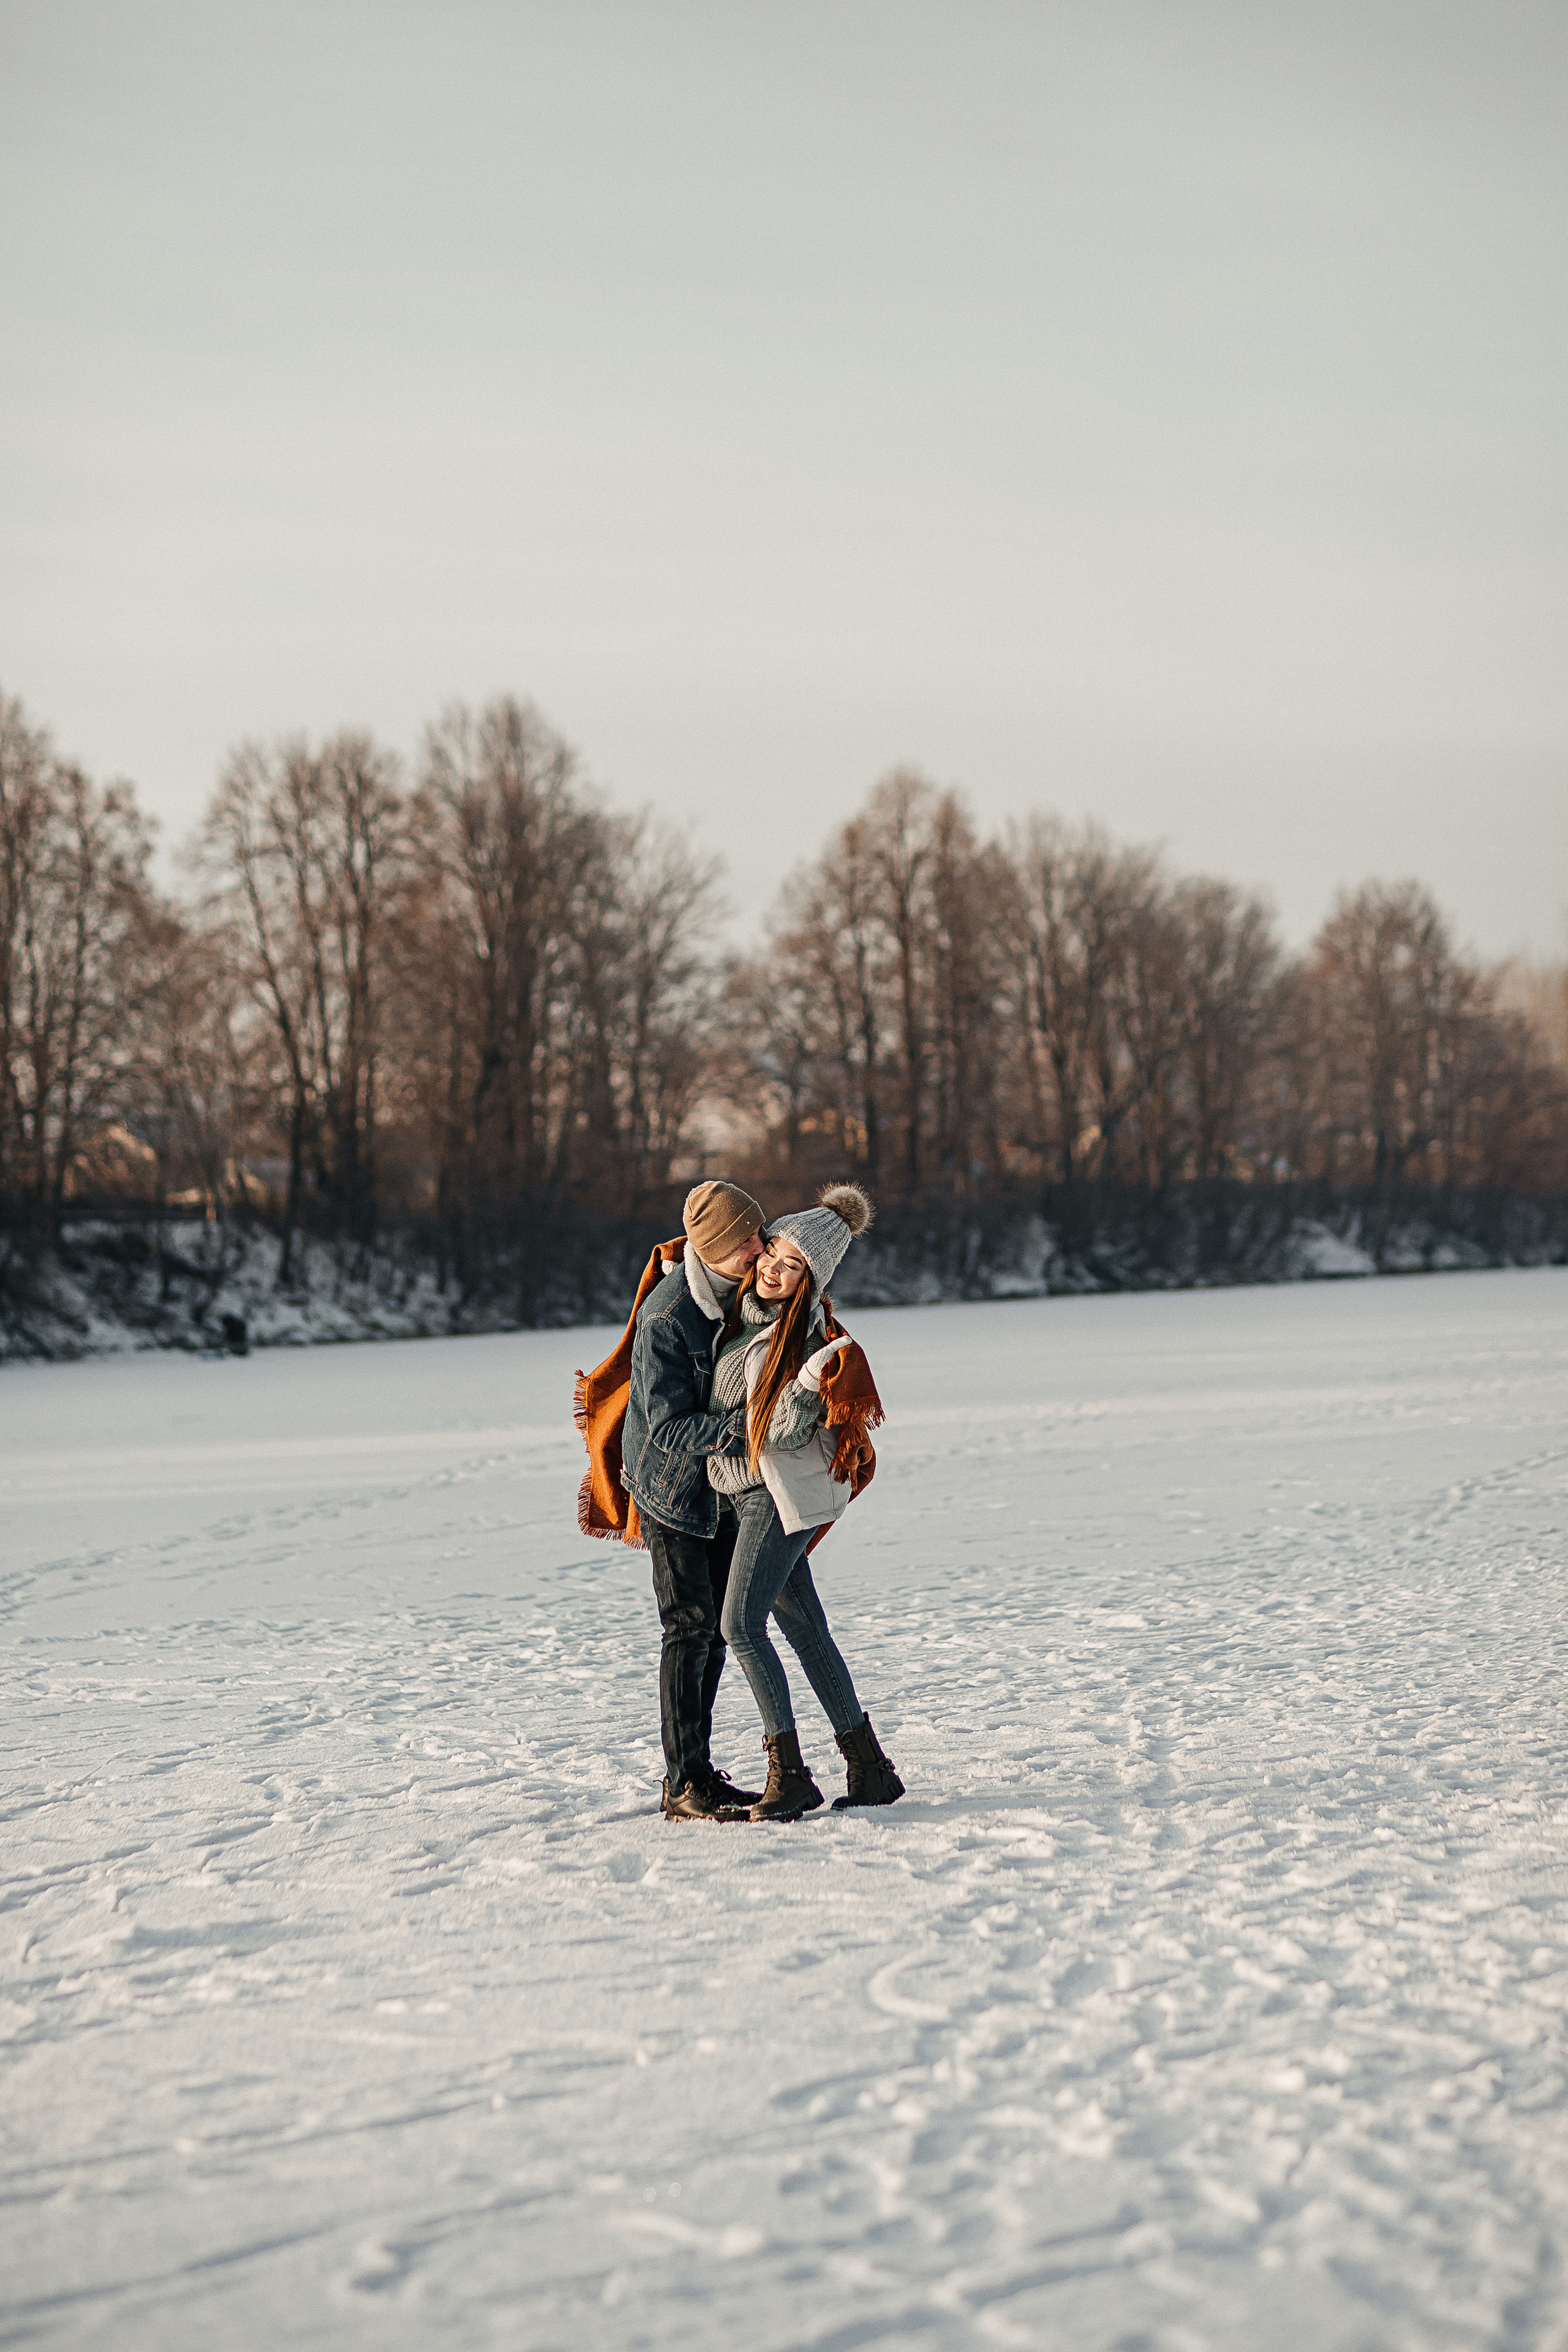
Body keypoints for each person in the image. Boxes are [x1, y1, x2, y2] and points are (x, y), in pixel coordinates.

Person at [708, 1184, 904, 1822]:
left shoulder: (806, 1339)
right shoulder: (744, 1318)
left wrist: (801, 1386)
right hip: (751, 1492)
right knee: (805, 1630)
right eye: (773, 1253)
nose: (773, 1269)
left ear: (808, 1281)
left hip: (776, 1496)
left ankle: (788, 1774)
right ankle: (869, 1768)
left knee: (740, 1625)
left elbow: (786, 1429)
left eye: (793, 1266)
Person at [616, 1179, 769, 1821]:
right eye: (746, 1243)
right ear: (712, 1250)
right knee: (690, 1629)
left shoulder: (744, 1296)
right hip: (671, 1490)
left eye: (759, 1235)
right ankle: (683, 1786)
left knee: (714, 1637)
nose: (759, 1251)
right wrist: (750, 1427)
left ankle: (697, 1771)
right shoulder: (667, 1316)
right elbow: (667, 1428)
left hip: (720, 1487)